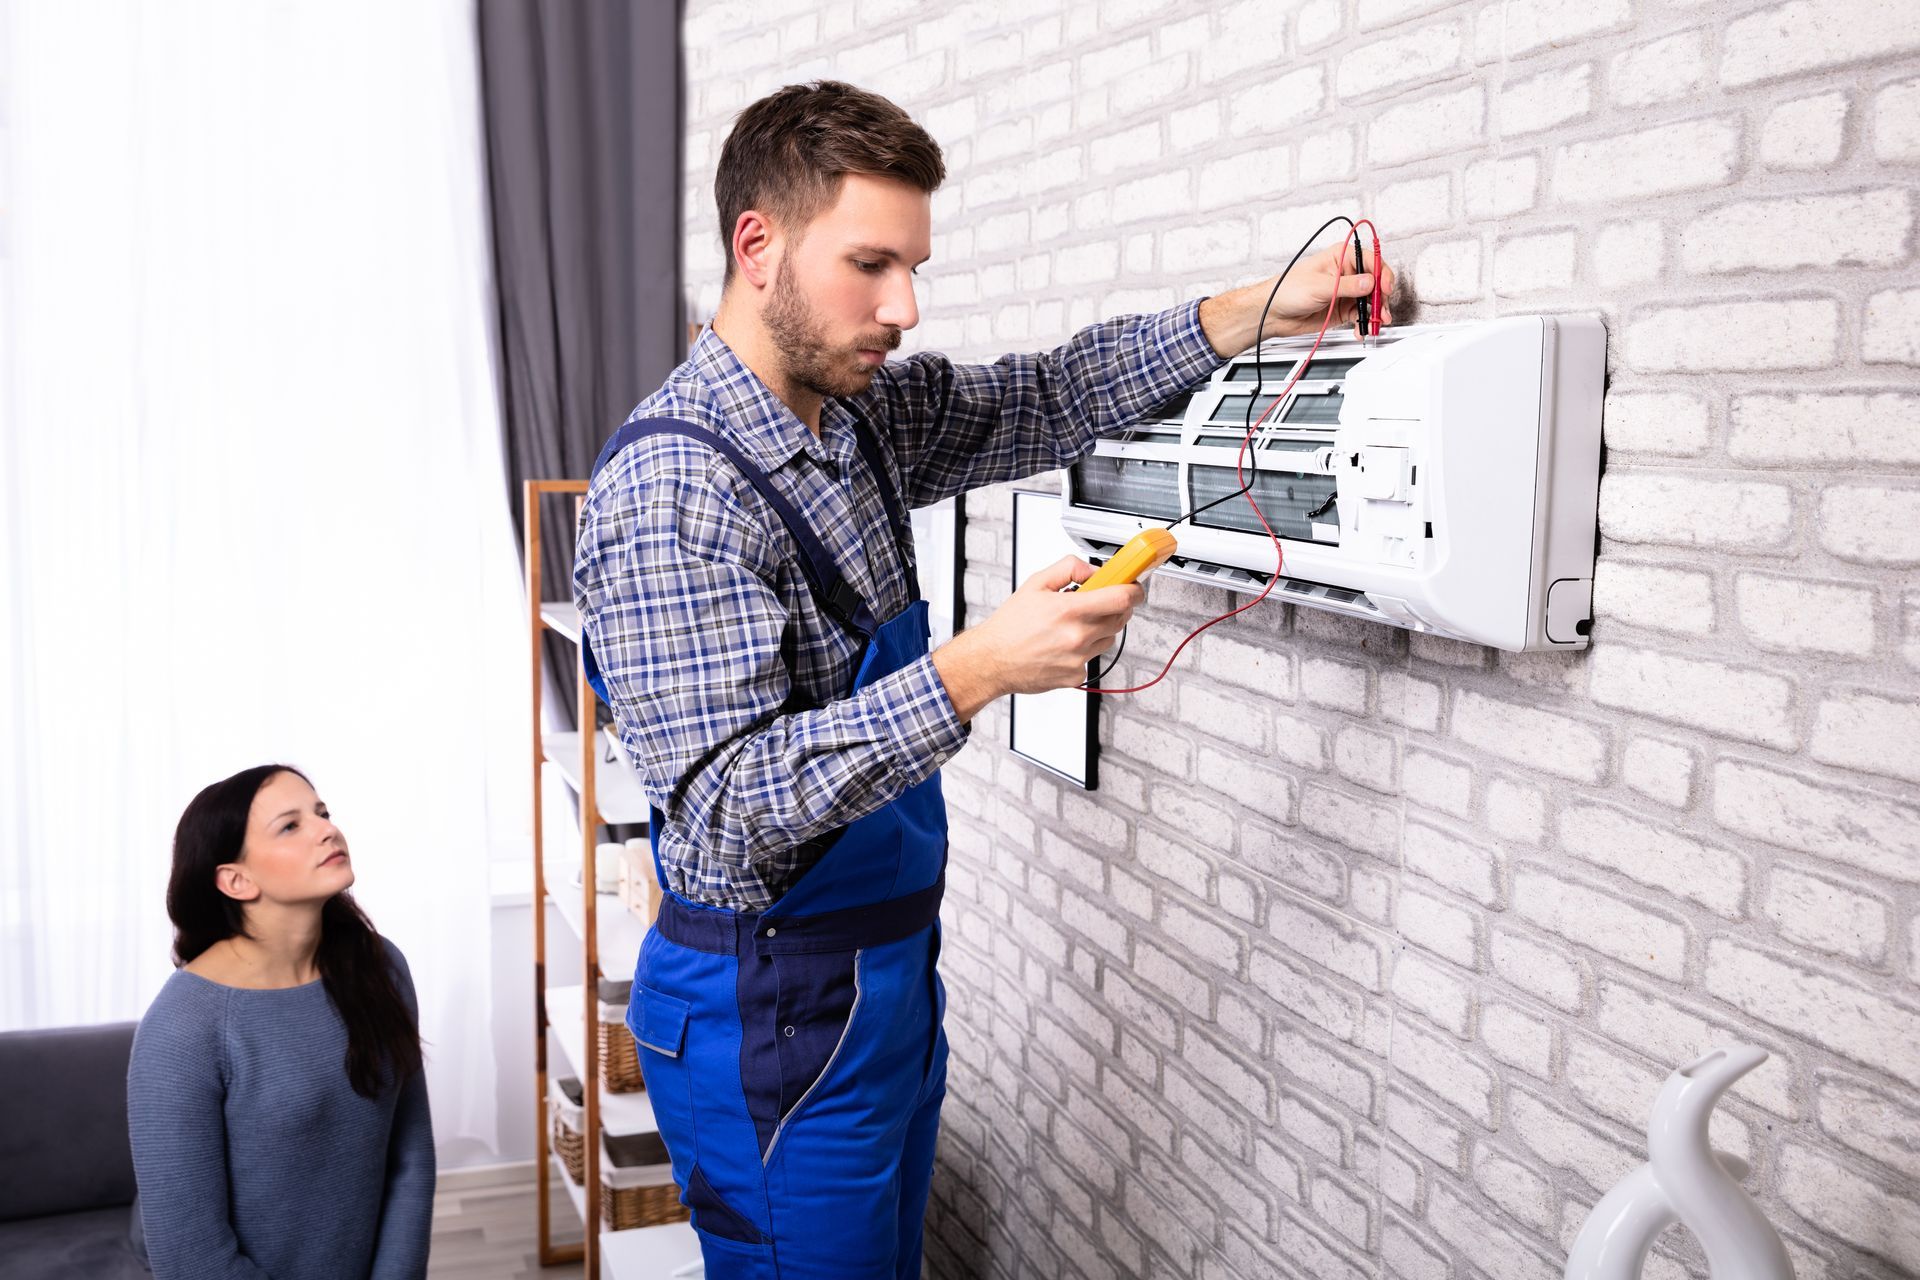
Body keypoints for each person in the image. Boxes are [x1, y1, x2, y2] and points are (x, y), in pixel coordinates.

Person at [573, 80, 1394, 1279]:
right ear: (759, 246)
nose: (902, 307)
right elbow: (729, 810)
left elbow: (1046, 397)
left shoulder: (853, 420)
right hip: (772, 1007)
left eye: (912, 266)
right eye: (870, 264)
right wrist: (975, 669)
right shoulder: (672, 491)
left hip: (885, 969)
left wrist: (1256, 310)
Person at [127, 765, 434, 1280]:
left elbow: (410, 1155)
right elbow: (192, 1257)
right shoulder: (182, 1029)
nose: (326, 829)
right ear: (236, 880)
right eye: (290, 826)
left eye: (322, 812)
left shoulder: (380, 967)